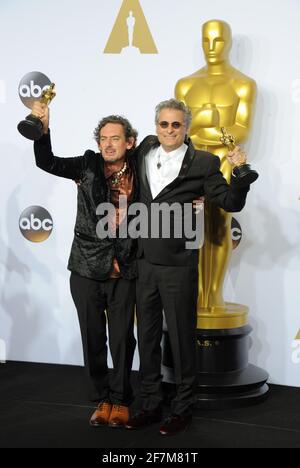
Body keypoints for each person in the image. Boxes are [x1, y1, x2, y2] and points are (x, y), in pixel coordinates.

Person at [125, 98, 257, 436]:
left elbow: (229, 201)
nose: (170, 130)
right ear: (157, 127)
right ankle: (151, 403)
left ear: (187, 128)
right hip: (144, 263)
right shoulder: (142, 152)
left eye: (176, 125)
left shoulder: (203, 162)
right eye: (164, 124)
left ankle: (183, 408)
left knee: (183, 340)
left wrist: (240, 173)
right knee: (149, 338)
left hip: (179, 265)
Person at [32, 101, 139, 428]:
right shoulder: (87, 166)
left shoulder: (142, 169)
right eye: (103, 138)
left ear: (129, 142)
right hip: (86, 267)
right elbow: (46, 161)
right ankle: (102, 399)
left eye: (115, 138)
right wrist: (43, 128)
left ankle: (121, 400)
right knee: (93, 337)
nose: (107, 144)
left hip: (124, 269)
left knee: (122, 338)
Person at [175, 19, 257, 309]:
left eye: (218, 40)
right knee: (192, 225)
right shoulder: (185, 84)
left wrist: (203, 127)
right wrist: (215, 128)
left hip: (224, 160)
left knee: (220, 225)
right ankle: (197, 294)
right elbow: (178, 129)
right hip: (191, 160)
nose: (211, 47)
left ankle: (213, 294)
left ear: (229, 42)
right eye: (206, 40)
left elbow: (242, 129)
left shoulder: (243, 84)